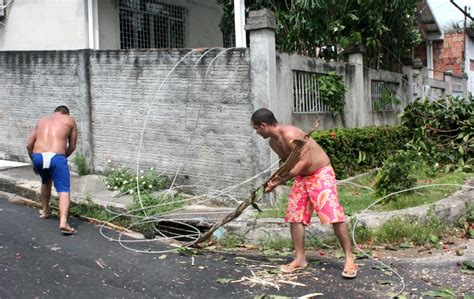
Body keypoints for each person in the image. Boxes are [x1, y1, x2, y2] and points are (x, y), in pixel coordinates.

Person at [251, 108, 357, 278]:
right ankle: (300, 259)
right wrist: (274, 180)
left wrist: (279, 181)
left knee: (333, 214)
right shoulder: (273, 143)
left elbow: (305, 161)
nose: (256, 132)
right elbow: (287, 164)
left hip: (320, 173)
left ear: (264, 125)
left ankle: (350, 259)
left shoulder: (291, 134)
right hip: (302, 178)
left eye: (257, 128)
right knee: (295, 216)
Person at [26, 105, 78, 235]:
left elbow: (29, 145)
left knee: (46, 181)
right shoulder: (70, 120)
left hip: (38, 157)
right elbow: (72, 146)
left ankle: (45, 210)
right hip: (57, 156)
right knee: (63, 189)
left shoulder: (42, 120)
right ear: (66, 113)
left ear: (54, 113)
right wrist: (59, 159)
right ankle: (63, 222)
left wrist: (34, 162)